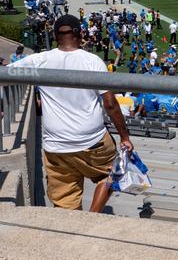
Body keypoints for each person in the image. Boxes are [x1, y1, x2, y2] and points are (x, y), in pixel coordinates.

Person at [9, 14, 133, 211]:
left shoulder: (39, 60)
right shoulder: (92, 61)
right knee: (111, 173)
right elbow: (110, 103)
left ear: (55, 35)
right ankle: (92, 216)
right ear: (81, 33)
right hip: (93, 141)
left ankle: (73, 228)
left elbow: (6, 73)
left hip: (56, 145)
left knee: (65, 202)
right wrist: (125, 137)